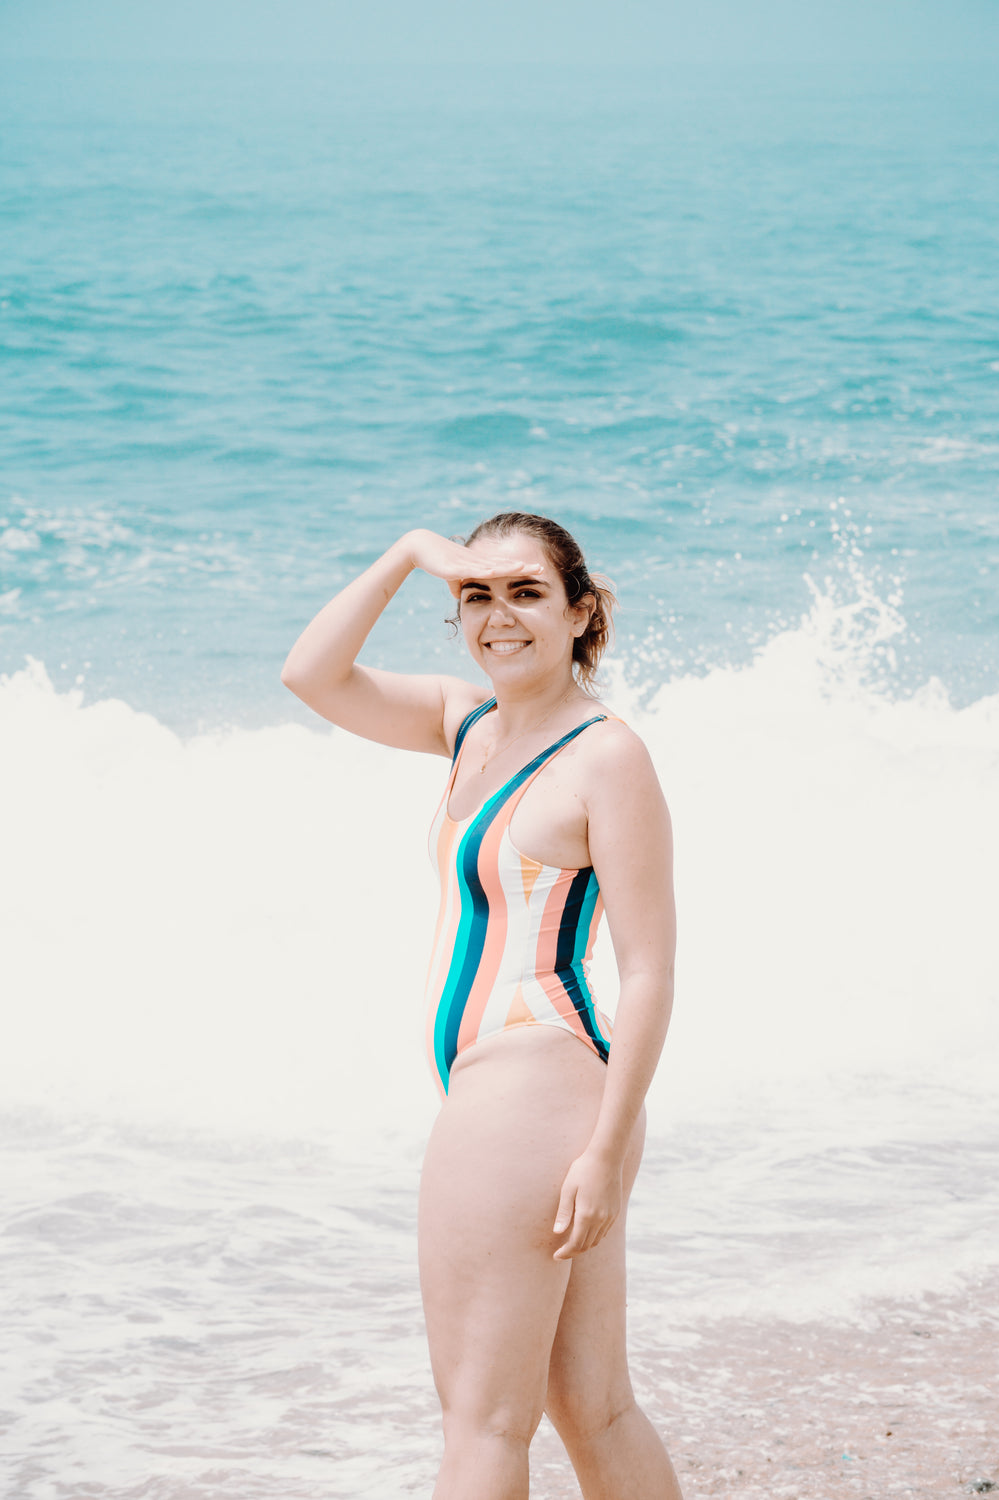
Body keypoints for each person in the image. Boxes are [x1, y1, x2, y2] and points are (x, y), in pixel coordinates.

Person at [281, 512, 683, 1500]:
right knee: (591, 1406)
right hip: (546, 1102)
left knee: (481, 1424)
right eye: (476, 594)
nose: (499, 616)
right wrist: (411, 552)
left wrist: (602, 1147)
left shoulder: (605, 756)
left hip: (532, 1093)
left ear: (581, 613)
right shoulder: (466, 723)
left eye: (527, 592)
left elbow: (647, 968)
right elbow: (311, 674)